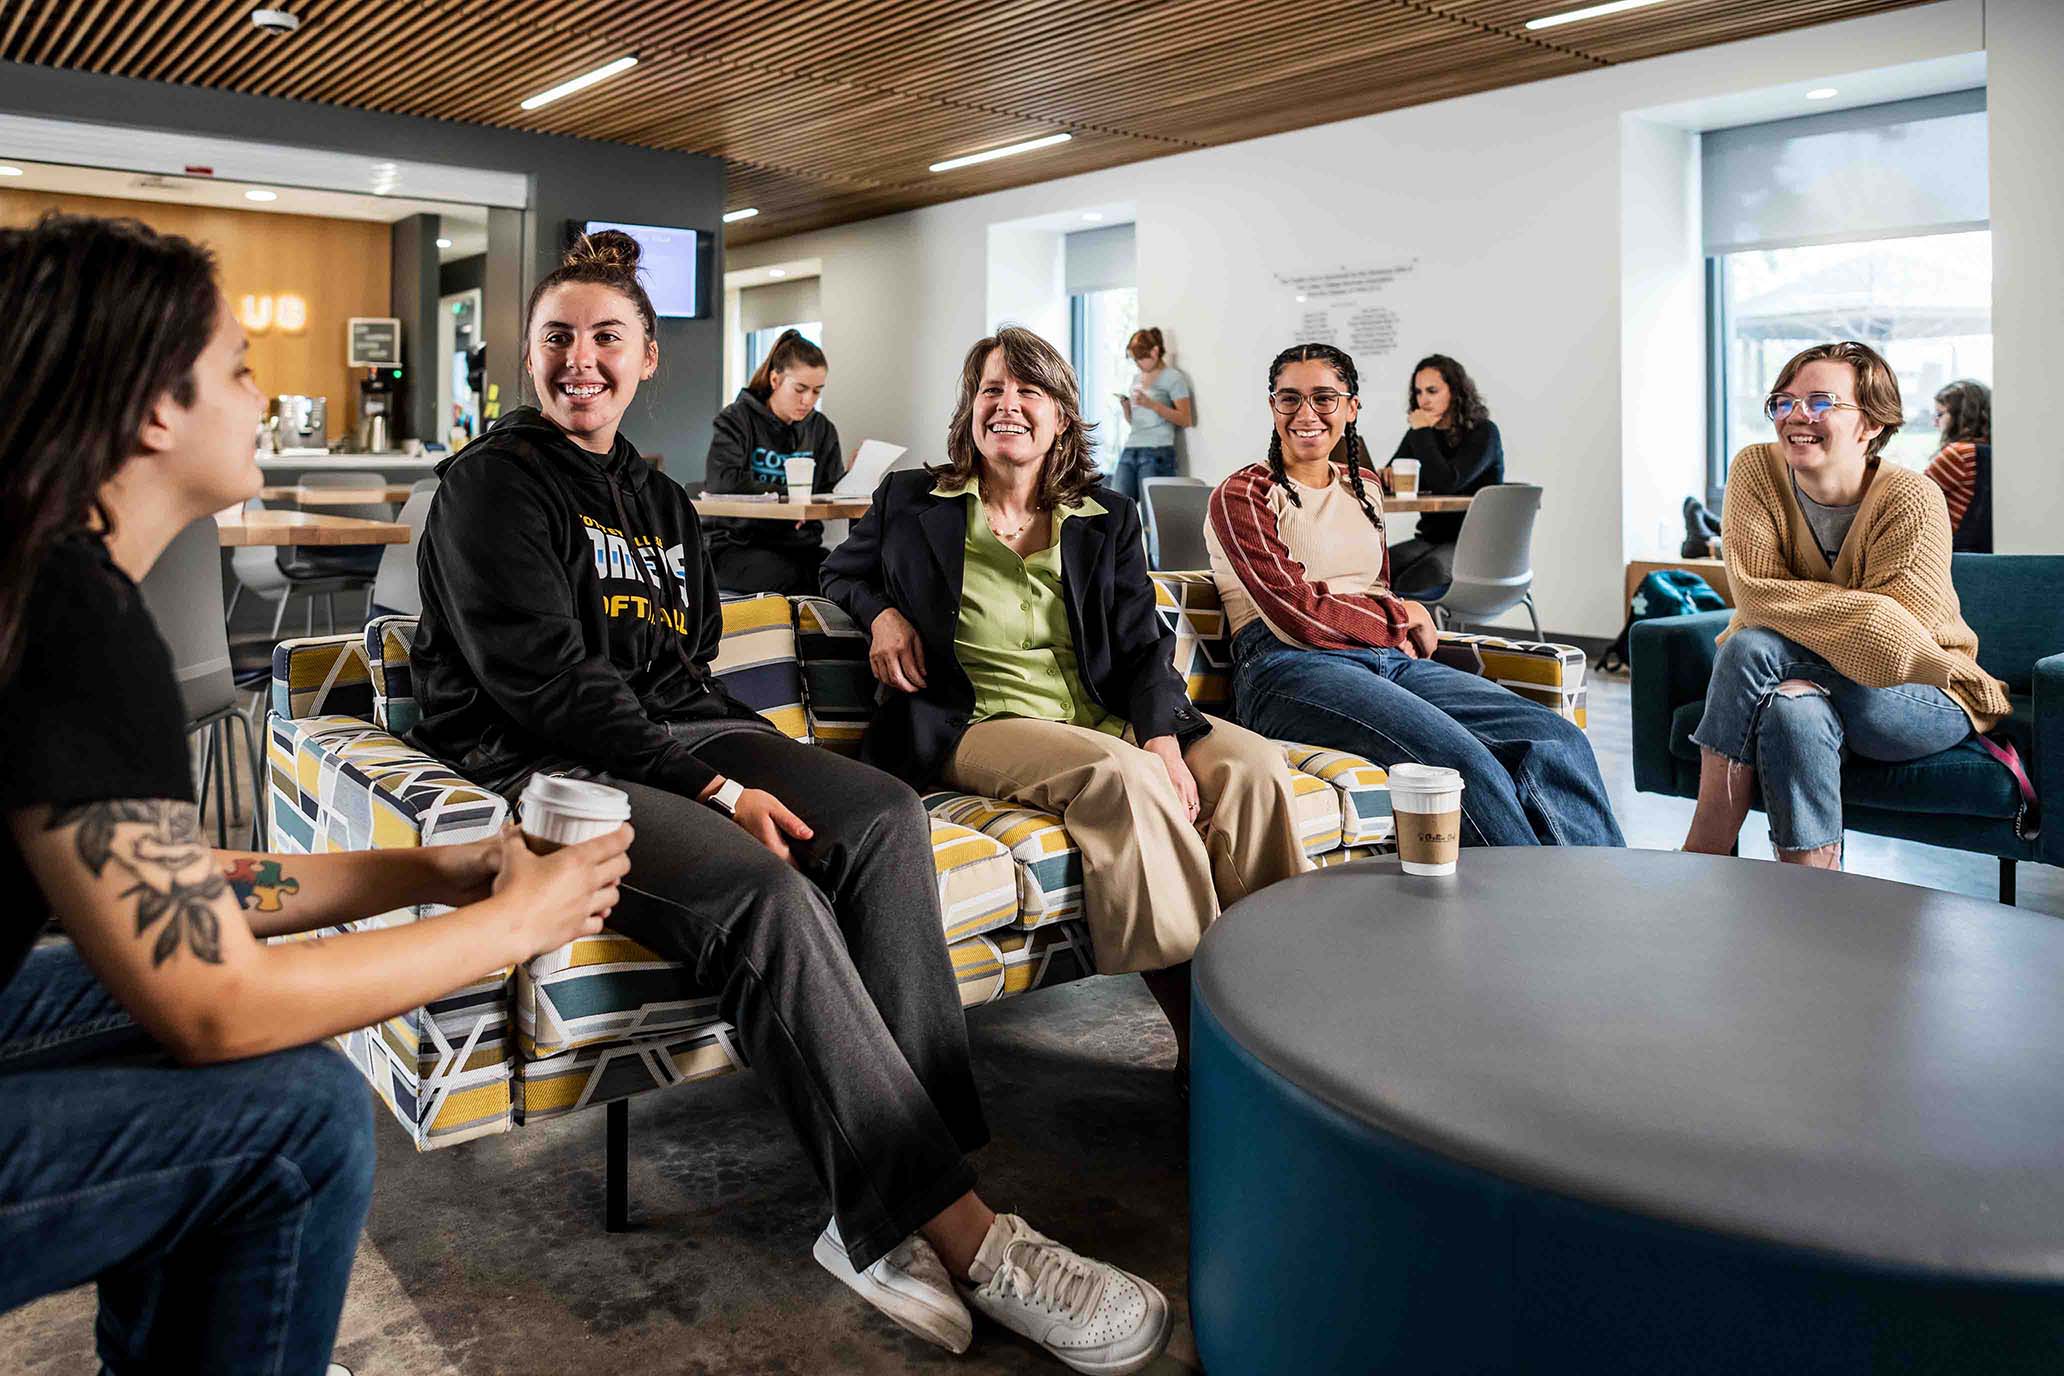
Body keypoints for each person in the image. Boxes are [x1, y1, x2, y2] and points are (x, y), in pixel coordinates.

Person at [406, 238, 1171, 1374]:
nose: (581, 359)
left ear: (648, 356)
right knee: (765, 890)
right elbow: (549, 685)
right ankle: (967, 1236)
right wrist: (715, 786)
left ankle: (898, 1193)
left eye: (606, 336)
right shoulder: (491, 483)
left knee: (877, 817)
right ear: (525, 354)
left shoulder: (663, 499)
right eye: (558, 337)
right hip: (556, 764)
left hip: (686, 727)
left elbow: (691, 659)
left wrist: (743, 753)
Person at [0, 213, 632, 1376]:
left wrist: (436, 867)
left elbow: (180, 893)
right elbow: (216, 1003)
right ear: (151, 410)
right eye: (238, 367)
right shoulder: (77, 623)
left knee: (200, 1052)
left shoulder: (41, 580)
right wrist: (511, 924)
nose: (262, 395)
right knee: (299, 1116)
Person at [822, 325, 1309, 1078]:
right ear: (969, 409)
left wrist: (1161, 736)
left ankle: (1283, 1015)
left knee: (1251, 766)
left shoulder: (1105, 515)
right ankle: (1208, 1049)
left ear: (1060, 415)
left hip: (1101, 713)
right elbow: (841, 573)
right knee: (1122, 779)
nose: (1006, 405)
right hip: (978, 719)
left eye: (1028, 390)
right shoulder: (914, 497)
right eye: (991, 389)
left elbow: (1143, 643)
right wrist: (880, 613)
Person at [1207, 342, 1623, 851]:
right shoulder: (1242, 493)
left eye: (1324, 397)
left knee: (1556, 738)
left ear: (1351, 407)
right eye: (1289, 399)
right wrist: (1402, 614)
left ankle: (1596, 895)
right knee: (1461, 763)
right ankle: (1530, 913)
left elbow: (1374, 586)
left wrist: (1395, 620)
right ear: (1273, 407)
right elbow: (1300, 614)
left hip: (1383, 659)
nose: (1306, 414)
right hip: (1287, 668)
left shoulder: (1363, 486)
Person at [1681, 343, 2010, 868]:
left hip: (1920, 694)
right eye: (1784, 402)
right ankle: (1813, 893)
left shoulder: (1913, 498)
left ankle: (1701, 856)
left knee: (1751, 647)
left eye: (1820, 402)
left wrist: (1814, 613)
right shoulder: (1755, 471)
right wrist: (1859, 614)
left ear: (1871, 424)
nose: (1797, 416)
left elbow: (1890, 641)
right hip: (1812, 679)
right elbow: (1753, 592)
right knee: (1793, 706)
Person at [703, 328, 842, 593]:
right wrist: (791, 497)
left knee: (849, 574)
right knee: (797, 578)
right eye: (800, 389)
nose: (808, 400)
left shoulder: (821, 429)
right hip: (735, 546)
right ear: (775, 380)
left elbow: (830, 490)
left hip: (796, 545)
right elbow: (723, 481)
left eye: (816, 391)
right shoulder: (736, 419)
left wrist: (856, 477)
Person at [1383, 353, 1504, 598]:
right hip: (1430, 538)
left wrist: (1422, 432)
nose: (1423, 400)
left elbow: (1447, 481)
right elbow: (1394, 476)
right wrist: (1385, 475)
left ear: (1455, 391)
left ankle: (1410, 633)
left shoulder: (1484, 433)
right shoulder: (1420, 434)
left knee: (1415, 578)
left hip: (1474, 544)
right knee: (1379, 569)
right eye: (1418, 393)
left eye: (1432, 391)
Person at [1109, 327, 1192, 502]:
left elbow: (1186, 419)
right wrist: (1126, 408)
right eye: (1135, 360)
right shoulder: (1136, 379)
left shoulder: (1173, 378)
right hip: (1131, 449)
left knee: (1152, 515)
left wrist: (1152, 404)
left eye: (1140, 359)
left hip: (1157, 452)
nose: (1137, 364)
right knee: (1116, 509)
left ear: (1154, 352)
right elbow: (1136, 421)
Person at [1923, 378, 1992, 549]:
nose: (1935, 422)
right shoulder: (1988, 451)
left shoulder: (1958, 455)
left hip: (1952, 552)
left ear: (1962, 416)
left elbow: (1912, 498)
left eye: (1940, 414)